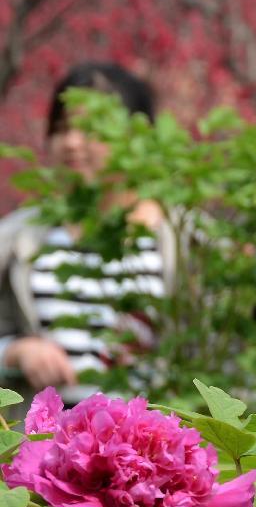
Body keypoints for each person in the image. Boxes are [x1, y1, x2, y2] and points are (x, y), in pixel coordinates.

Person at [0, 62, 175, 408]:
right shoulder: (18, 239)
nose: (72, 143)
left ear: (139, 137)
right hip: (46, 448)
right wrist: (15, 351)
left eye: (90, 129)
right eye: (62, 129)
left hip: (155, 448)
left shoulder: (183, 242)